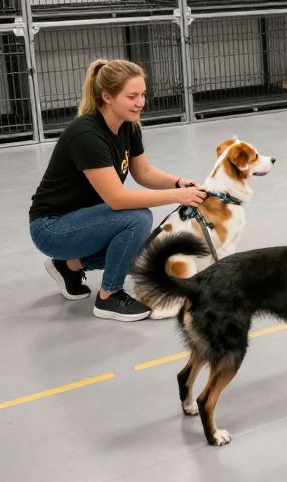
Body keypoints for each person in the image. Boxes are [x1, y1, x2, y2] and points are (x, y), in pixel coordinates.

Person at [29, 59, 207, 321]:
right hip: (52, 228)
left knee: (146, 247)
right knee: (137, 218)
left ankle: (69, 265)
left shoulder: (128, 125)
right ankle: (108, 297)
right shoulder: (86, 134)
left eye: (143, 94)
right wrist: (177, 197)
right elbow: (117, 199)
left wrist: (178, 182)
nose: (141, 102)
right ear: (107, 97)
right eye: (132, 96)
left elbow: (143, 173)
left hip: (84, 220)